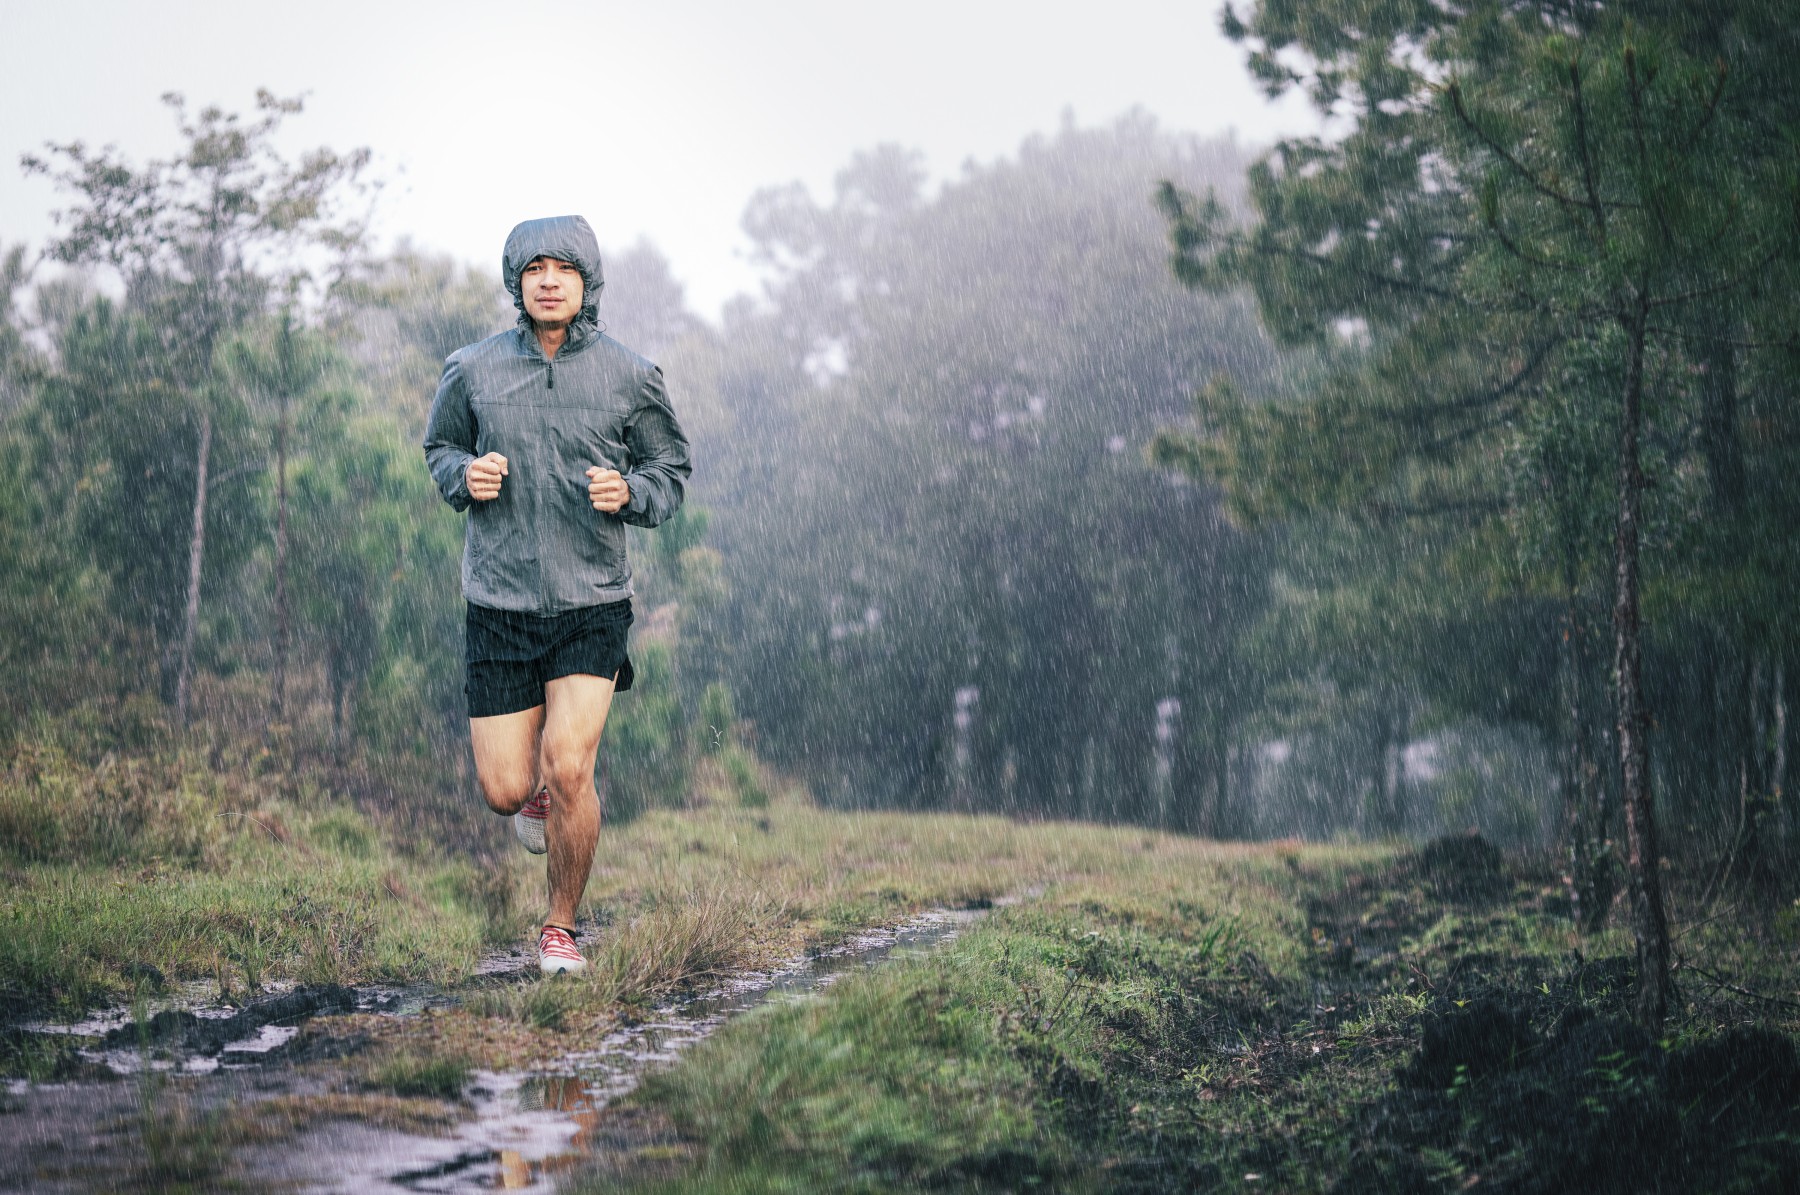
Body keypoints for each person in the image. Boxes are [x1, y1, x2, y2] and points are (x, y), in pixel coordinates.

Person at [424, 215, 691, 975]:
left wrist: (630, 489)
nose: (548, 280)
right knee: (509, 789)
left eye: (563, 269)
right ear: (517, 282)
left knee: (571, 764)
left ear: (587, 283)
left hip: (591, 602)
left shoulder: (630, 376)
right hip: (500, 605)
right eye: (534, 268)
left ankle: (561, 927)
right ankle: (535, 801)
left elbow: (670, 472)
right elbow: (440, 446)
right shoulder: (471, 370)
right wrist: (460, 475)